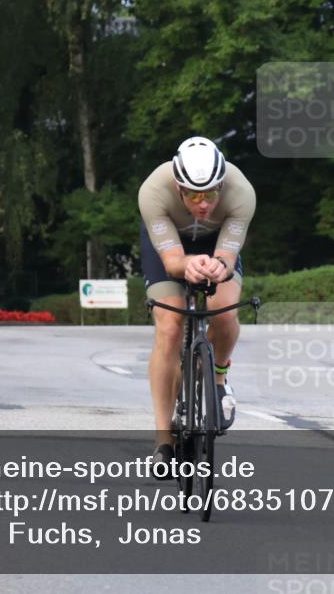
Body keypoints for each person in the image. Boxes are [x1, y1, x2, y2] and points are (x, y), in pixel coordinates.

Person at [138, 136, 256, 475]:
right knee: (170, 326)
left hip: (216, 243)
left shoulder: (242, 193)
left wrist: (220, 265)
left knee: (226, 313)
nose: (202, 204)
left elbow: (228, 255)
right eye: (192, 195)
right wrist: (185, 265)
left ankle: (218, 381)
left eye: (210, 194)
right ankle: (164, 441)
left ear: (222, 184)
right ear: (178, 188)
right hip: (170, 247)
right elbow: (173, 261)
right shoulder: (153, 192)